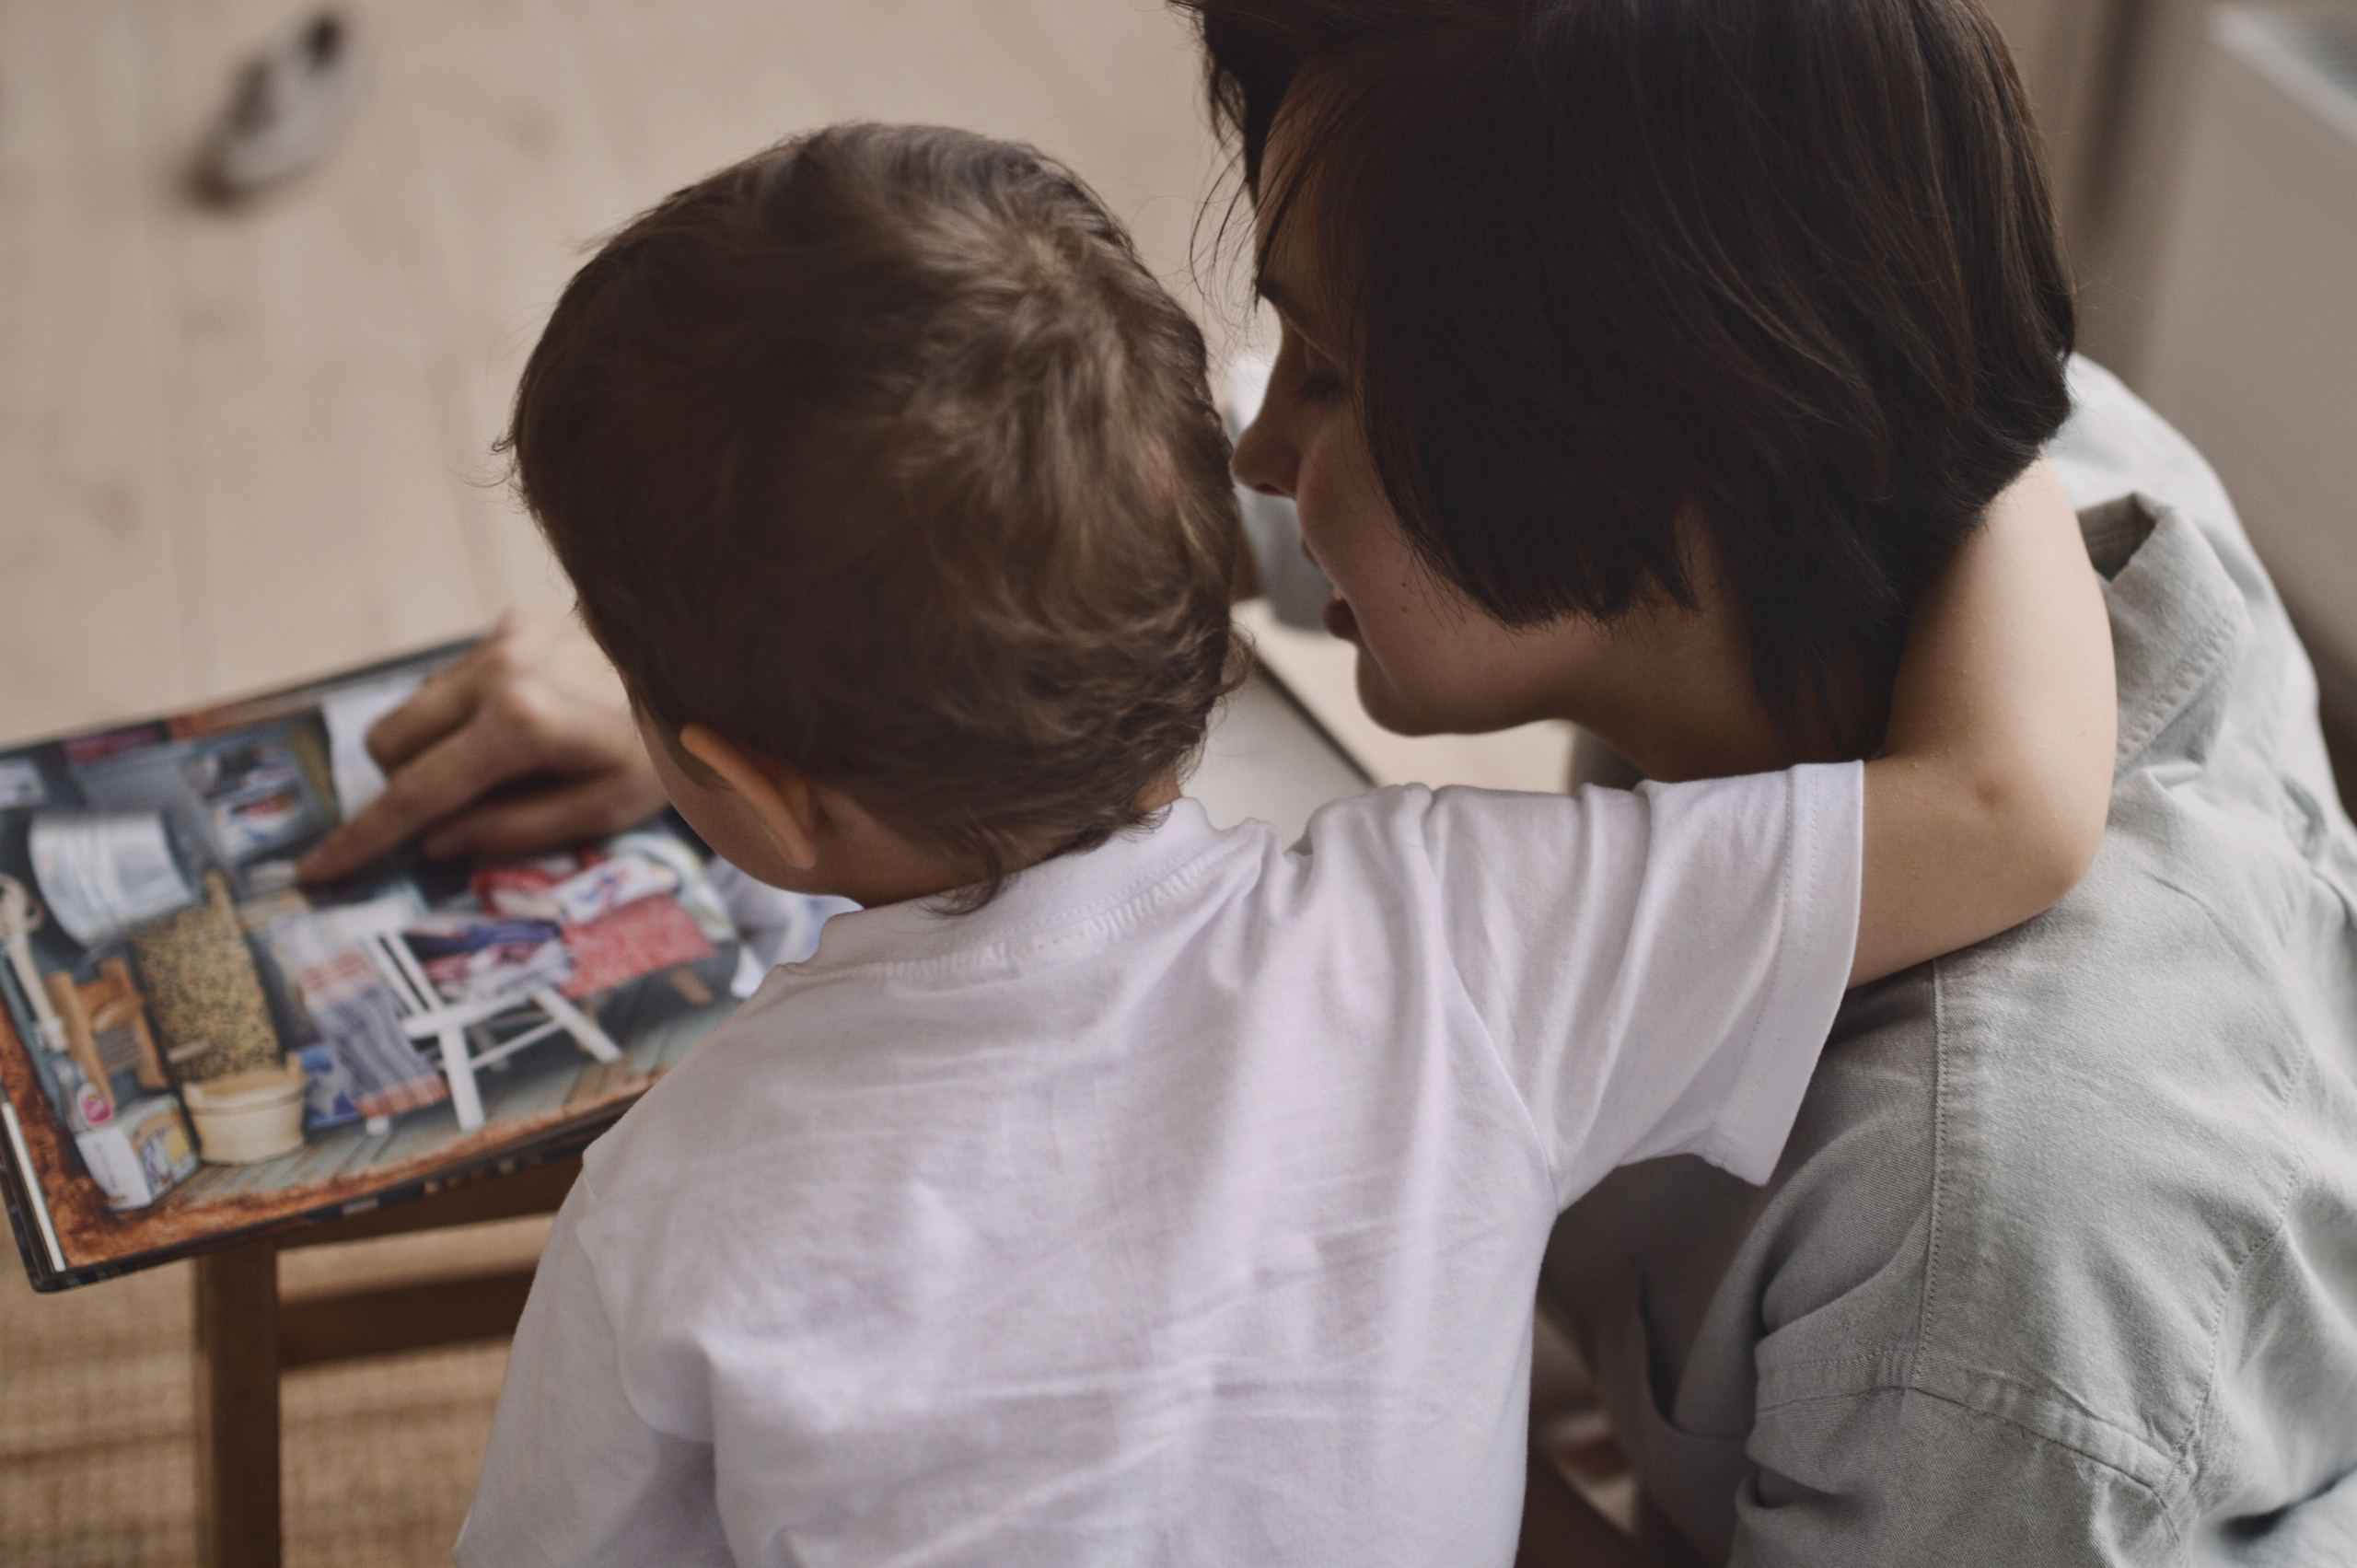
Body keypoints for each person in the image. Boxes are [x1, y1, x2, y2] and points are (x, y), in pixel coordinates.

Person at [450, 122, 2108, 1566]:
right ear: (1219, 578)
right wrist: (1975, 407)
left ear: (752, 786)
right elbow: (2008, 804)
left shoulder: (664, 1203)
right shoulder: (1469, 934)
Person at [1181, 1, 2357, 1563]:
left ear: (1635, 452)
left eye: (1325, 376)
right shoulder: (1935, 457)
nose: (1258, 449)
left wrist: (1295, 1414)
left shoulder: (1977, 1248)